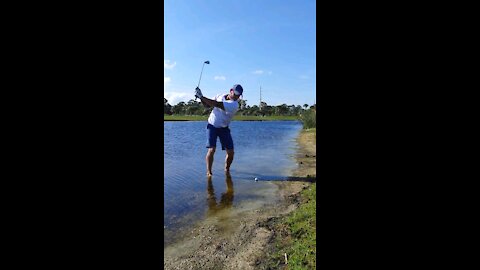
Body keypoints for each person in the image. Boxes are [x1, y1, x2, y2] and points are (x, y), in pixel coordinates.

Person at [194, 84, 243, 176]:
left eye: (239, 95)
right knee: (211, 149)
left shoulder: (234, 105)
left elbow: (216, 104)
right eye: (236, 94)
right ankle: (209, 172)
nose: (237, 96)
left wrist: (201, 96)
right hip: (212, 126)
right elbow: (207, 106)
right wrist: (200, 97)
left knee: (231, 152)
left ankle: (227, 169)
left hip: (224, 128)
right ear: (231, 90)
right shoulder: (220, 96)